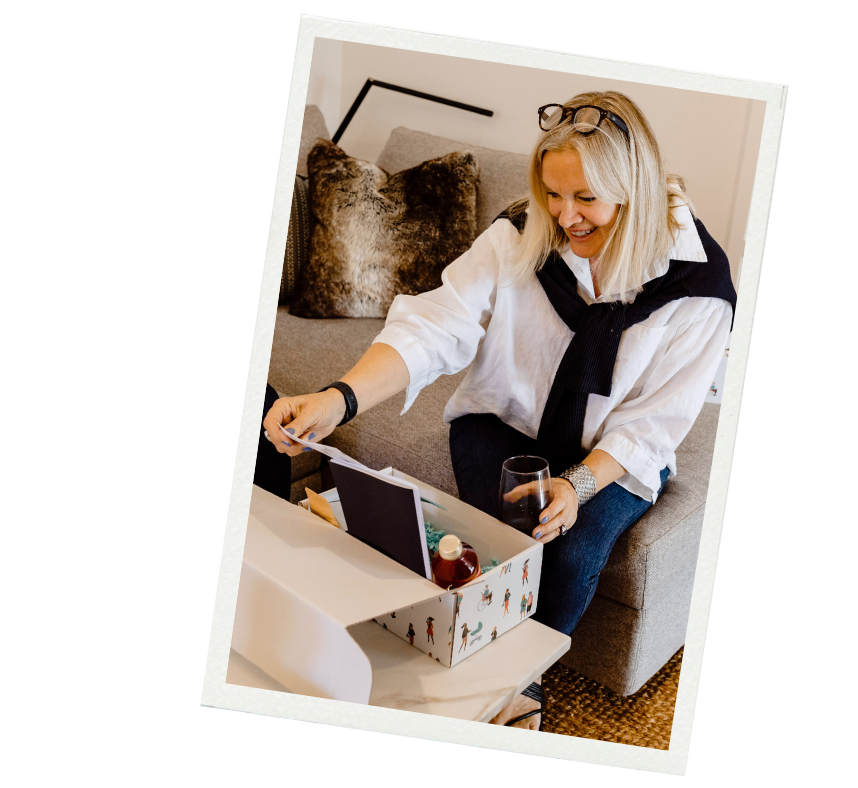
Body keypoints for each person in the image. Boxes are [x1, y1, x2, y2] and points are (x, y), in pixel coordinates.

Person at [260, 91, 736, 730]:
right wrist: (337, 398)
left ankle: (519, 682)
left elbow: (655, 421)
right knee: (502, 543)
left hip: (617, 452)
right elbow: (435, 327)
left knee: (569, 550)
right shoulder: (519, 235)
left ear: (635, 190)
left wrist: (579, 482)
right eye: (551, 193)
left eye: (586, 198)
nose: (564, 216)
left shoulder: (698, 287)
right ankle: (461, 663)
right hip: (503, 420)